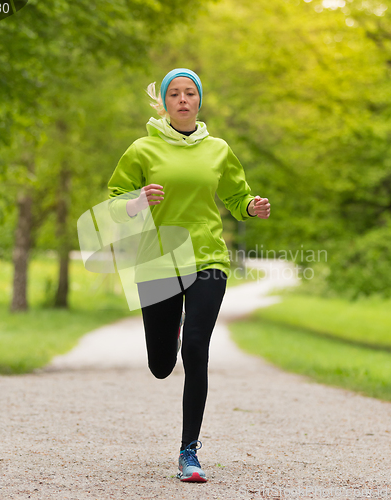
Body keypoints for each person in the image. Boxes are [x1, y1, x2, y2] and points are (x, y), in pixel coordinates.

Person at [107, 68, 270, 482]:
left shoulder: (217, 149)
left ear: (199, 101)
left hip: (208, 260)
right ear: (163, 103)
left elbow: (236, 194)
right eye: (174, 94)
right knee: (161, 365)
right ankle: (173, 329)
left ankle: (188, 451)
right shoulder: (142, 149)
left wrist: (251, 206)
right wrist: (135, 201)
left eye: (189, 93)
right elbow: (112, 203)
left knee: (196, 349)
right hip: (158, 263)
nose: (182, 99)